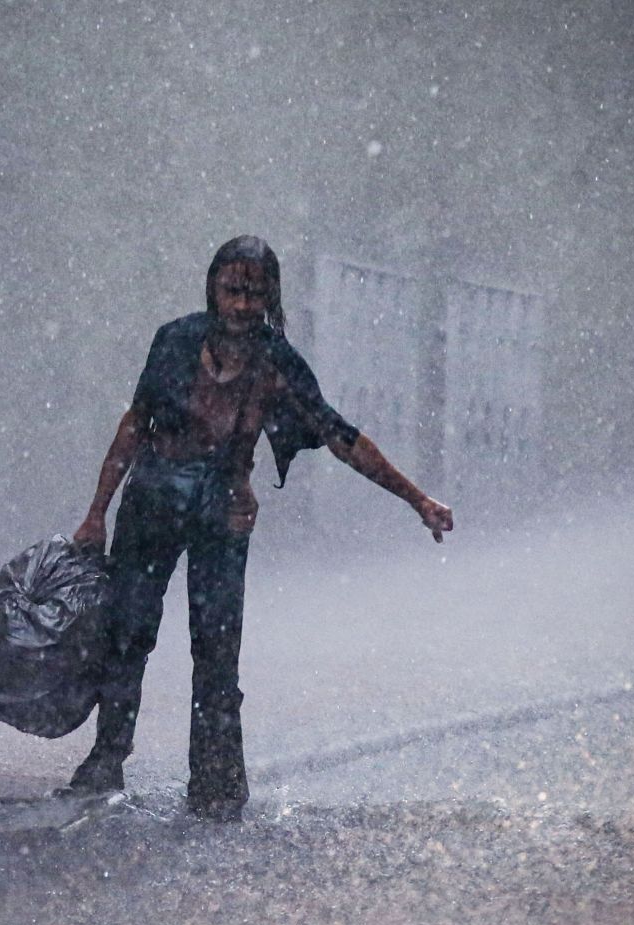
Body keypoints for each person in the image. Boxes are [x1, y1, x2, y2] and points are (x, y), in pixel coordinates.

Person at [66, 235, 453, 820]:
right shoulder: (175, 341)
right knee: (126, 635)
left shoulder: (278, 363)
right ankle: (105, 760)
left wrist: (416, 499)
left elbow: (341, 437)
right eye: (233, 291)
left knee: (217, 651)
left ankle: (216, 786)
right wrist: (96, 512)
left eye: (255, 293)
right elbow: (135, 424)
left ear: (271, 297)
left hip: (223, 510)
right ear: (213, 289)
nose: (243, 305)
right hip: (152, 500)